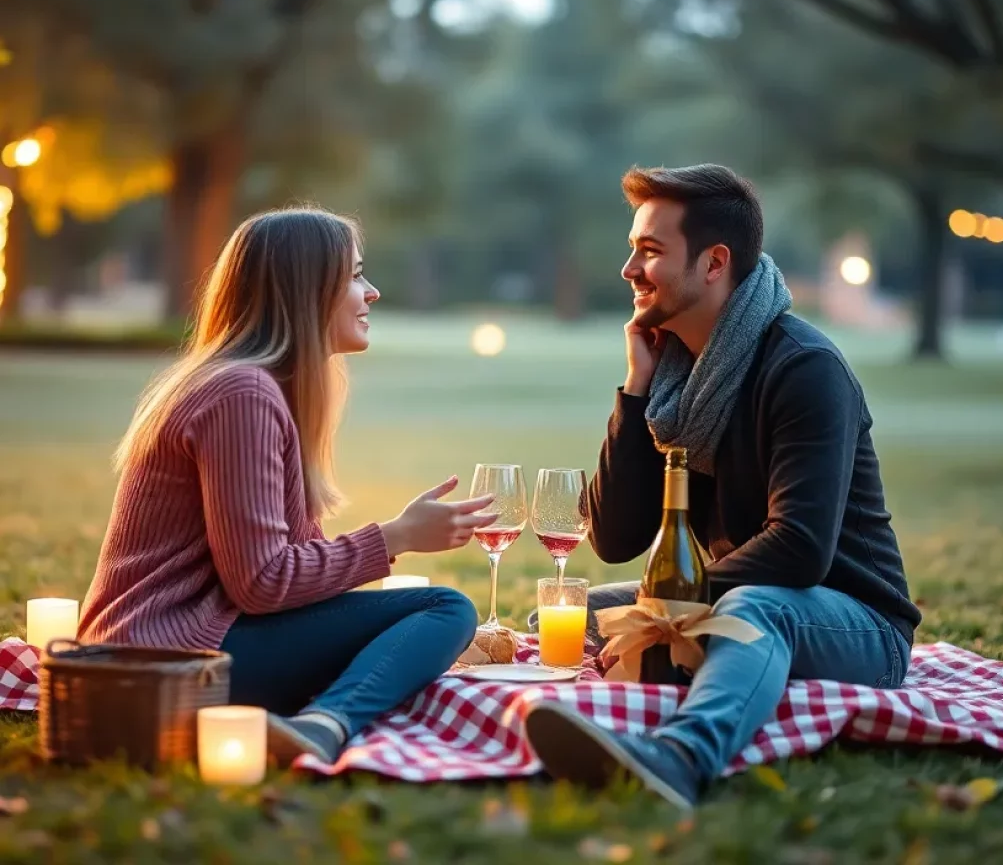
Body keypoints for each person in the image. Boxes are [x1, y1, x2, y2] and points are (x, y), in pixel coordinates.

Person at [524, 165, 919, 811]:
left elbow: (798, 549)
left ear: (714, 263)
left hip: (855, 622)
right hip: (737, 591)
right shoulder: (678, 380)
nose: (628, 269)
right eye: (632, 249)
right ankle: (602, 731)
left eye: (649, 252)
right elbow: (616, 537)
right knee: (566, 617)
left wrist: (666, 616)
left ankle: (679, 756)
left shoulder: (804, 368)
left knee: (748, 611)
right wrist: (635, 390)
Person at [79, 208, 496, 766]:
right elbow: (262, 583)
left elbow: (272, 574)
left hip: (176, 646)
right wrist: (394, 537)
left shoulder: (251, 387)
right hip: (164, 660)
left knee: (415, 616)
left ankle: (318, 718)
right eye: (354, 275)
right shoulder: (242, 394)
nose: (370, 293)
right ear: (306, 289)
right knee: (445, 609)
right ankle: (327, 724)